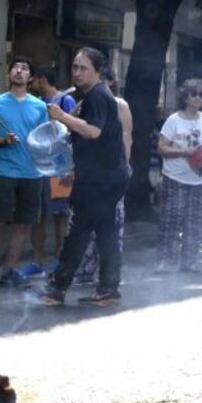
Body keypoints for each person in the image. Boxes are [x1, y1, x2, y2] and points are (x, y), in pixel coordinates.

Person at [39, 47, 129, 306]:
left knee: (80, 232)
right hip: (104, 176)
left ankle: (58, 288)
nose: (77, 73)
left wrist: (63, 116)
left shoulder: (98, 96)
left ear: (98, 71)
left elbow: (94, 132)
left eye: (83, 68)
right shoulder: (94, 96)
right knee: (103, 231)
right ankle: (107, 288)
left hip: (101, 179)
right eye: (75, 68)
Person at [0, 56, 49, 291]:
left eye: (24, 68)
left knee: (23, 224)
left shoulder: (40, 107)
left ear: (31, 78)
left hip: (33, 172)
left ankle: (9, 271)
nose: (19, 71)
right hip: (5, 171)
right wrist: (2, 140)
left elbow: (45, 137)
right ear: (9, 74)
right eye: (15, 68)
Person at [74, 67, 133, 283]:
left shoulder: (120, 105)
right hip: (90, 173)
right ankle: (87, 268)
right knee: (86, 222)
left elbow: (126, 137)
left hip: (111, 173)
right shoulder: (88, 102)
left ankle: (110, 273)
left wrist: (124, 167)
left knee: (111, 224)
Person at [155, 78, 202, 273]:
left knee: (195, 220)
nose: (199, 98)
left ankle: (189, 261)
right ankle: (166, 261)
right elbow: (161, 148)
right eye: (194, 94)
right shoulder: (174, 120)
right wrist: (184, 152)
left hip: (201, 178)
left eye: (201, 94)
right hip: (175, 178)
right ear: (185, 97)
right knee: (171, 219)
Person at [22, 67, 76, 278]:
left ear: (43, 80)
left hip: (60, 166)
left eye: (35, 80)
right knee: (39, 216)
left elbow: (71, 131)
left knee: (60, 215)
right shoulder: (35, 103)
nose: (32, 83)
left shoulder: (65, 101)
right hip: (38, 166)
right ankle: (37, 261)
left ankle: (61, 259)